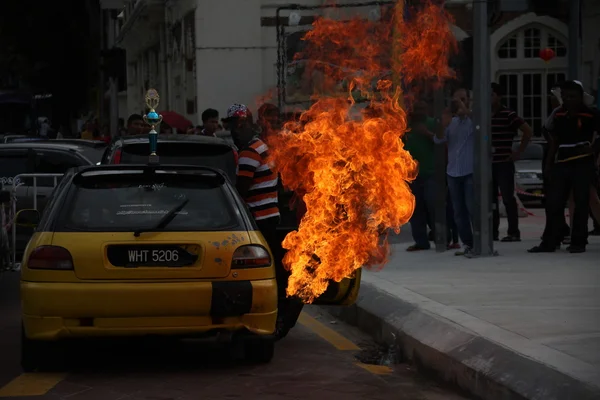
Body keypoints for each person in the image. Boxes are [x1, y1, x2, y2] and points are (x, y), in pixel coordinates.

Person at [528, 80, 600, 253]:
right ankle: (550, 241)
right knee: (554, 203)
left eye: (573, 96)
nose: (568, 99)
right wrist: (549, 164)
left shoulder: (591, 114)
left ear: (581, 97)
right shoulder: (558, 114)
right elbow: (550, 136)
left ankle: (578, 242)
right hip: (562, 161)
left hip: (583, 161)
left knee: (581, 203)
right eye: (566, 96)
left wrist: (593, 150)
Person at [490, 83, 533, 242]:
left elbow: (528, 131)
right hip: (488, 164)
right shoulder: (483, 114)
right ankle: (492, 231)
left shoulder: (508, 114)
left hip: (504, 163)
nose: (489, 98)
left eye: (492, 95)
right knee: (490, 199)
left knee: (508, 198)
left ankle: (513, 231)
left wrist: (518, 152)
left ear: (499, 96)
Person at [435, 88, 474, 256]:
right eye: (457, 100)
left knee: (472, 208)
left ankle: (480, 241)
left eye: (463, 99)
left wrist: (462, 105)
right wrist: (442, 124)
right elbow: (439, 139)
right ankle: (468, 243)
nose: (460, 103)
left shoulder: (474, 119)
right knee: (458, 211)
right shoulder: (451, 122)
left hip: (470, 171)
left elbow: (473, 118)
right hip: (453, 172)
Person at [404, 101, 436, 251]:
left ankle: (440, 236)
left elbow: (442, 142)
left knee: (432, 206)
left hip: (430, 172)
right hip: (412, 175)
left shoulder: (432, 123)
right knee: (415, 210)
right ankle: (421, 242)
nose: (419, 111)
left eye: (422, 108)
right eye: (416, 108)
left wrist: (427, 134)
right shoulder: (405, 126)